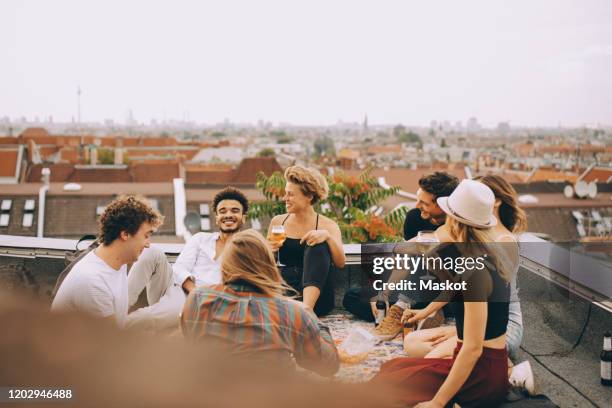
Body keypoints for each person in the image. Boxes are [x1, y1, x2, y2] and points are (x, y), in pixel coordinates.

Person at [371, 179, 514, 407]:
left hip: (480, 375)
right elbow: (454, 290)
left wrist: (437, 403)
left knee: (388, 385)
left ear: (455, 222)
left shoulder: (475, 271)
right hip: (484, 364)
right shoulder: (484, 255)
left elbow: (473, 348)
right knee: (393, 367)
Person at [181, 229, 339, 377]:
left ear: (226, 265)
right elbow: (328, 366)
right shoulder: (292, 313)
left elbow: (190, 340)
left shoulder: (198, 298)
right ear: (268, 265)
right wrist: (312, 317)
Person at [403, 175, 527, 363]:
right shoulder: (477, 236)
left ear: (497, 201)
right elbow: (458, 284)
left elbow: (494, 306)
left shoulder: (505, 241)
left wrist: (462, 332)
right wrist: (424, 312)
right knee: (412, 343)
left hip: (500, 327)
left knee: (431, 359)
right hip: (476, 319)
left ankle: (510, 372)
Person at [342, 172, 458, 325]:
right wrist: (384, 293)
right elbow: (404, 258)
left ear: (443, 204)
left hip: (448, 292)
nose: (417, 206)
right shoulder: (414, 217)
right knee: (353, 297)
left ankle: (420, 313)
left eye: (424, 203)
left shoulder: (459, 226)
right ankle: (417, 315)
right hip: (414, 289)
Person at [125, 187, 249, 330]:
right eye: (222, 211)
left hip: (207, 303)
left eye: (235, 211)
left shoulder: (247, 249)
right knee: (151, 252)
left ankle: (115, 328)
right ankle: (121, 307)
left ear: (243, 217)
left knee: (147, 318)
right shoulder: (200, 239)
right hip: (182, 291)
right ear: (216, 218)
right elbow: (179, 268)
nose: (228, 215)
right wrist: (194, 290)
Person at [52, 195, 163, 328]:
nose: (148, 244)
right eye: (146, 236)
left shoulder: (116, 261)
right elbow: (113, 344)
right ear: (125, 234)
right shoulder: (93, 283)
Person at [267, 165, 346, 316]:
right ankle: (302, 310)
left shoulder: (327, 225)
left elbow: (340, 262)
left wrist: (327, 237)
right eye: (285, 194)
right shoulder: (278, 222)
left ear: (309, 197)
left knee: (318, 244)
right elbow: (268, 264)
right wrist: (269, 251)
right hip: (288, 292)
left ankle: (306, 309)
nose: (285, 199)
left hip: (318, 300)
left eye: (290, 195)